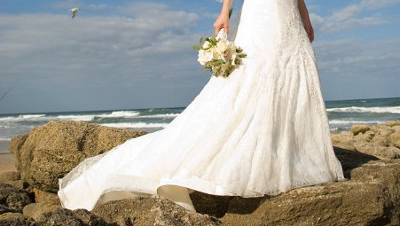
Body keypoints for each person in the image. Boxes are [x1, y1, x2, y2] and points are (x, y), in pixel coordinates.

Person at [57, 0, 346, 213]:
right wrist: (225, 11)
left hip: (289, 14)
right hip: (263, 12)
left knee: (290, 68)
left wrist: (305, 16)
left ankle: (289, 154)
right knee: (258, 70)